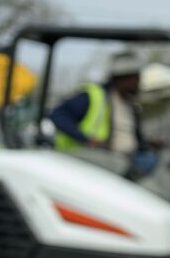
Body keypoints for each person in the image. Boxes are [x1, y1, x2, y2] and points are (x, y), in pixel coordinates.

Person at [48, 51, 156, 180]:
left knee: (157, 161)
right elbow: (58, 115)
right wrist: (86, 139)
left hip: (126, 158)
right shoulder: (94, 96)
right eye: (136, 78)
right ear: (124, 78)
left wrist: (146, 144)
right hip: (93, 156)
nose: (139, 83)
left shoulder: (129, 103)